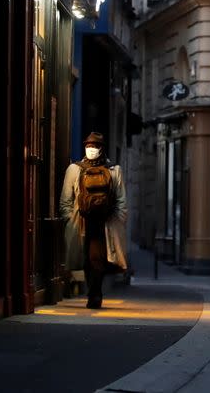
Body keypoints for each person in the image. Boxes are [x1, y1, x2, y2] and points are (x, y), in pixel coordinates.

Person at [59, 132, 128, 309]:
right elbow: (66, 200)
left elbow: (120, 201)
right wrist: (70, 219)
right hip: (82, 222)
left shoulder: (113, 171)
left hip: (103, 224)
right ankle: (94, 293)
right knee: (89, 260)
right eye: (89, 146)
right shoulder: (76, 169)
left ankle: (94, 294)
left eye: (95, 146)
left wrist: (117, 223)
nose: (91, 149)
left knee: (96, 259)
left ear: (101, 148)